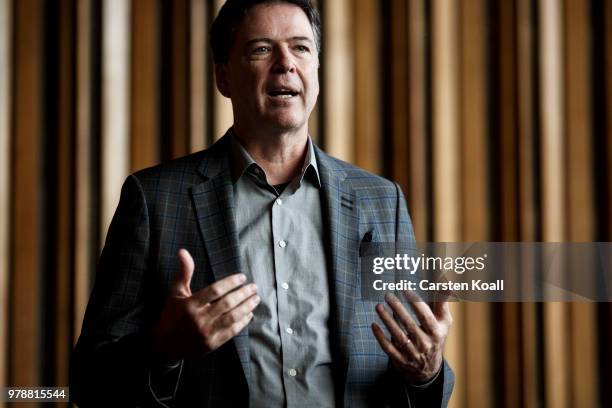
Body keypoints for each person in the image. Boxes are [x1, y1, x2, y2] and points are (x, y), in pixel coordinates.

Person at [70, 0, 454, 406]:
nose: (285, 63)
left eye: (301, 48)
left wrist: (427, 372)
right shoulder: (154, 199)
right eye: (261, 49)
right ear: (223, 77)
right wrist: (165, 351)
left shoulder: (382, 201)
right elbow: (89, 382)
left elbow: (416, 377)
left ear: (317, 72)